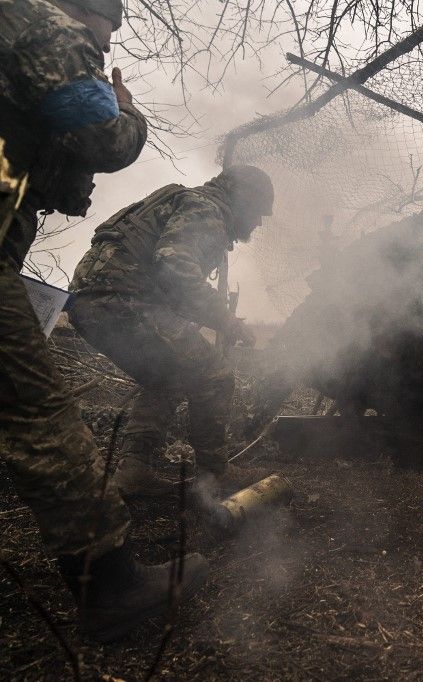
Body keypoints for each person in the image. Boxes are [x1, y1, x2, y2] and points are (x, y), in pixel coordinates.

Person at [0, 0, 207, 642]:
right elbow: (99, 138)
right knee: (38, 415)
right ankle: (109, 585)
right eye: (109, 24)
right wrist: (130, 112)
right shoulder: (46, 23)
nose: (108, 38)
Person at [69, 166, 273, 498]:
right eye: (259, 211)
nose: (259, 222)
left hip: (87, 304)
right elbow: (175, 267)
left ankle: (133, 471)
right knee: (215, 375)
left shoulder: (182, 198)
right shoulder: (206, 209)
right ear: (244, 199)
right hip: (122, 301)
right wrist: (225, 320)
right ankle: (215, 476)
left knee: (165, 377)